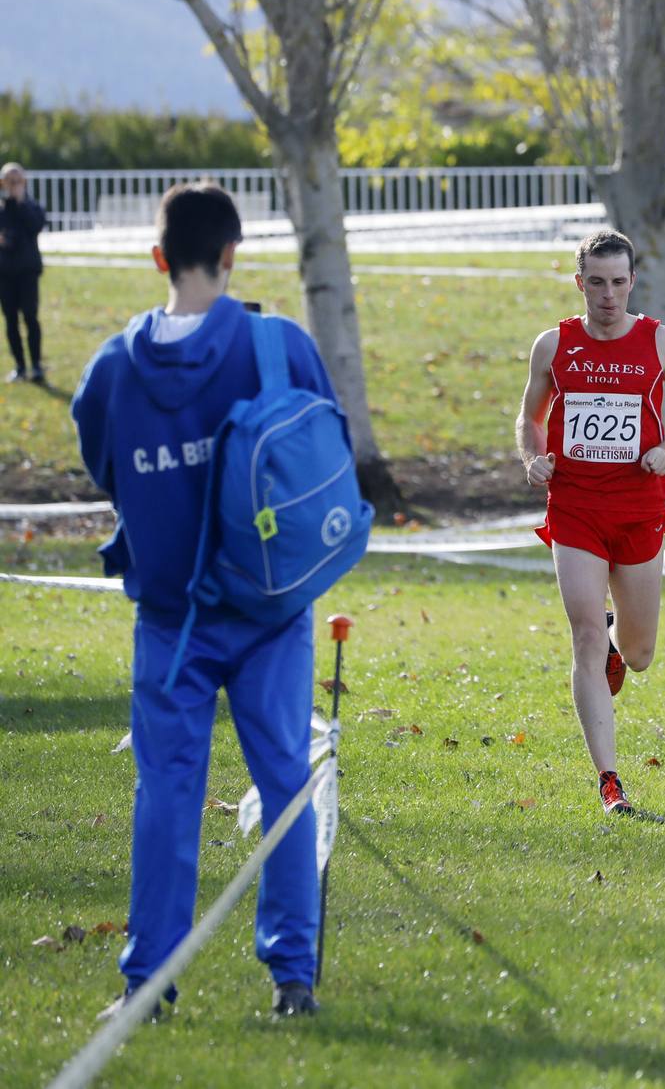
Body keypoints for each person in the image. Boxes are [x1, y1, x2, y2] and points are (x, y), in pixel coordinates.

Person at [71, 182, 340, 1019]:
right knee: (286, 785)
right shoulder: (276, 344)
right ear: (232, 255)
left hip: (171, 620)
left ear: (158, 257)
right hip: (269, 613)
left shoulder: (113, 369)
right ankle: (291, 979)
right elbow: (325, 448)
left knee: (166, 798)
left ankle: (148, 983)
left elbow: (102, 463)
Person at [516, 230, 665, 815]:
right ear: (581, 284)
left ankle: (613, 639)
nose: (608, 295)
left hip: (637, 509)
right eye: (596, 283)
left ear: (632, 282)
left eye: (618, 282)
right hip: (574, 507)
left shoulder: (660, 341)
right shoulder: (554, 345)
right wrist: (533, 459)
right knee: (582, 634)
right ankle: (609, 780)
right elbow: (529, 417)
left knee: (640, 652)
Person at [1, 161, 47, 383]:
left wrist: (20, 202)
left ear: (24, 182)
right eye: (9, 181)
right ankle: (20, 366)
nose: (13, 185)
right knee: (10, 320)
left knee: (30, 317)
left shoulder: (32, 207)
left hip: (27, 272)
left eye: (17, 181)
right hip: (5, 274)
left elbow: (36, 226)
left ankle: (36, 365)